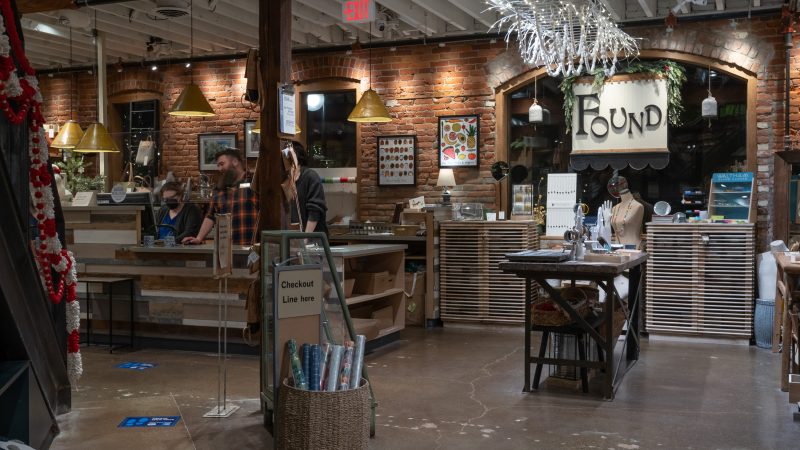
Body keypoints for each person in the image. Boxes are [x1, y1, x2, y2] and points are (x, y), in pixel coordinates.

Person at [182, 148, 259, 246]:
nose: (219, 169)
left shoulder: (255, 182)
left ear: (235, 162)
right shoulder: (220, 189)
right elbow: (210, 216)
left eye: (222, 164)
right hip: (227, 249)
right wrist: (198, 238)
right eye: (218, 165)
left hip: (253, 247)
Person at [290, 141, 328, 236]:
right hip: (294, 238)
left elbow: (315, 211)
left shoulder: (311, 176)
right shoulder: (286, 180)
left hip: (314, 238)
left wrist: (305, 238)